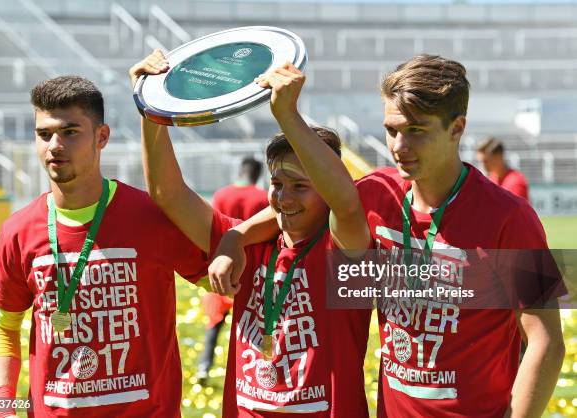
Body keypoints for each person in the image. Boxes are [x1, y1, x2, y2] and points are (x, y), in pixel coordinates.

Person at [209, 54, 565, 417]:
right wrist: (236, 235)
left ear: (457, 128)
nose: (398, 146)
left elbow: (546, 341)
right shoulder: (377, 193)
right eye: (392, 129)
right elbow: (299, 207)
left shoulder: (511, 217)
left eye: (416, 131)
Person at [130, 50, 372, 416]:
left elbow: (347, 204)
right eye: (276, 183)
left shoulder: (343, 250)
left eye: (300, 186)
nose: (284, 197)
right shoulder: (249, 248)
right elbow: (168, 194)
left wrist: (287, 114)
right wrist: (152, 110)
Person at [0, 76, 208, 417]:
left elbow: (226, 280)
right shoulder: (17, 231)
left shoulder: (152, 217)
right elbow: (4, 326)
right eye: (44, 134)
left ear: (101, 137)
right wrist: (3, 406)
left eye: (70, 132)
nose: (54, 145)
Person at [197, 156, 269, 383]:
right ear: (258, 175)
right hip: (252, 270)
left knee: (215, 323)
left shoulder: (221, 194)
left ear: (241, 171)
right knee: (259, 324)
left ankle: (204, 367)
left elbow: (212, 228)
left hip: (220, 266)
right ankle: (264, 370)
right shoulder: (261, 197)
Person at [476, 136, 530, 201]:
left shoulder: (516, 182)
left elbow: (515, 210)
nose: (483, 165)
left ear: (499, 157)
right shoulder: (491, 179)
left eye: (486, 161)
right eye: (481, 162)